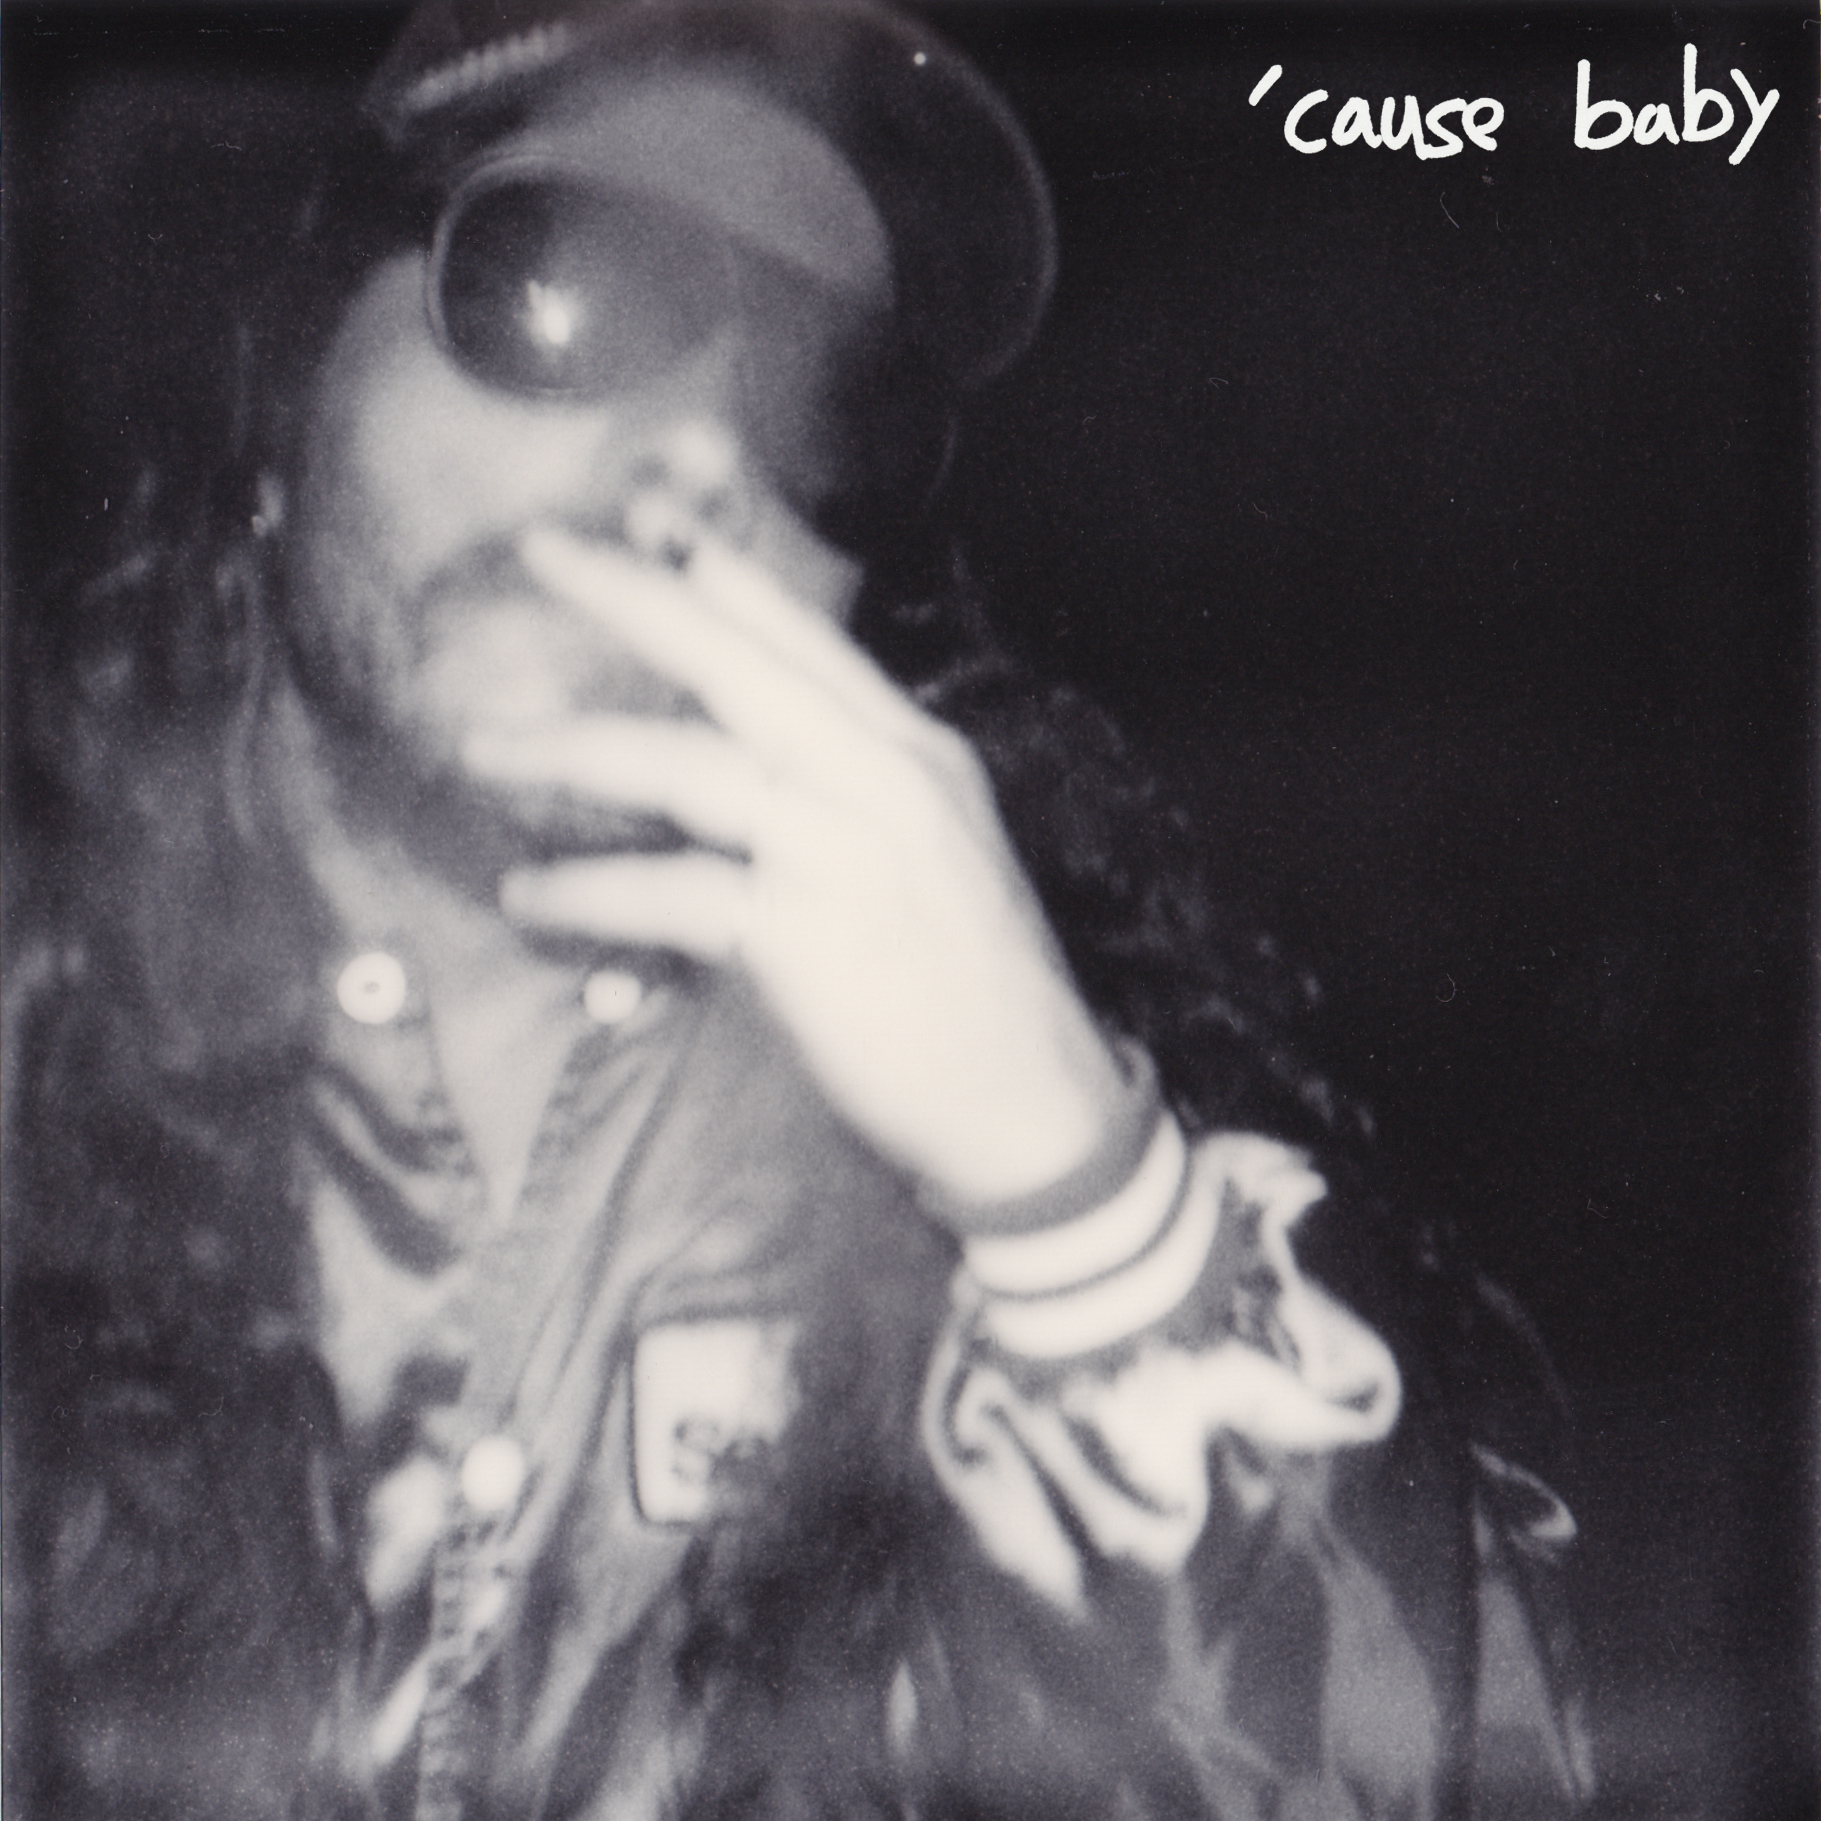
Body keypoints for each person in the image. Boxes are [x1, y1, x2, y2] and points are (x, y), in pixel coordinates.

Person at [3, 1, 1591, 1816]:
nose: (700, 458)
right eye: (570, 284)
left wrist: (1075, 1206)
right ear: (283, 397)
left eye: (836, 408)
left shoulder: (1063, 1184)